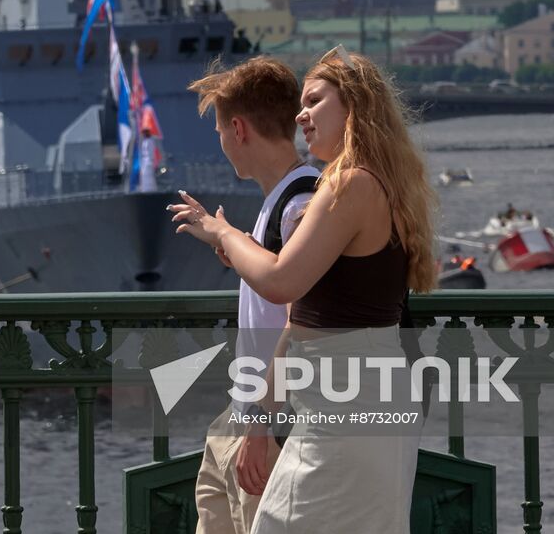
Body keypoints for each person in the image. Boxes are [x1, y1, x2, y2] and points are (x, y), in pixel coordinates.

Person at [172, 47, 437, 533]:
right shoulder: (378, 184)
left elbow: (280, 283)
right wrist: (262, 414)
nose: (301, 115)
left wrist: (221, 232)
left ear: (354, 105)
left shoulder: (349, 184)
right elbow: (302, 314)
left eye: (314, 101)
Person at [170, 56, 323, 534]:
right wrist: (230, 243)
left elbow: (304, 319)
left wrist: (262, 421)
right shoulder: (284, 199)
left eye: (220, 130)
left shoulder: (299, 205)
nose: (221, 141)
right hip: (242, 415)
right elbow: (277, 272)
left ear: (237, 129)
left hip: (267, 423)